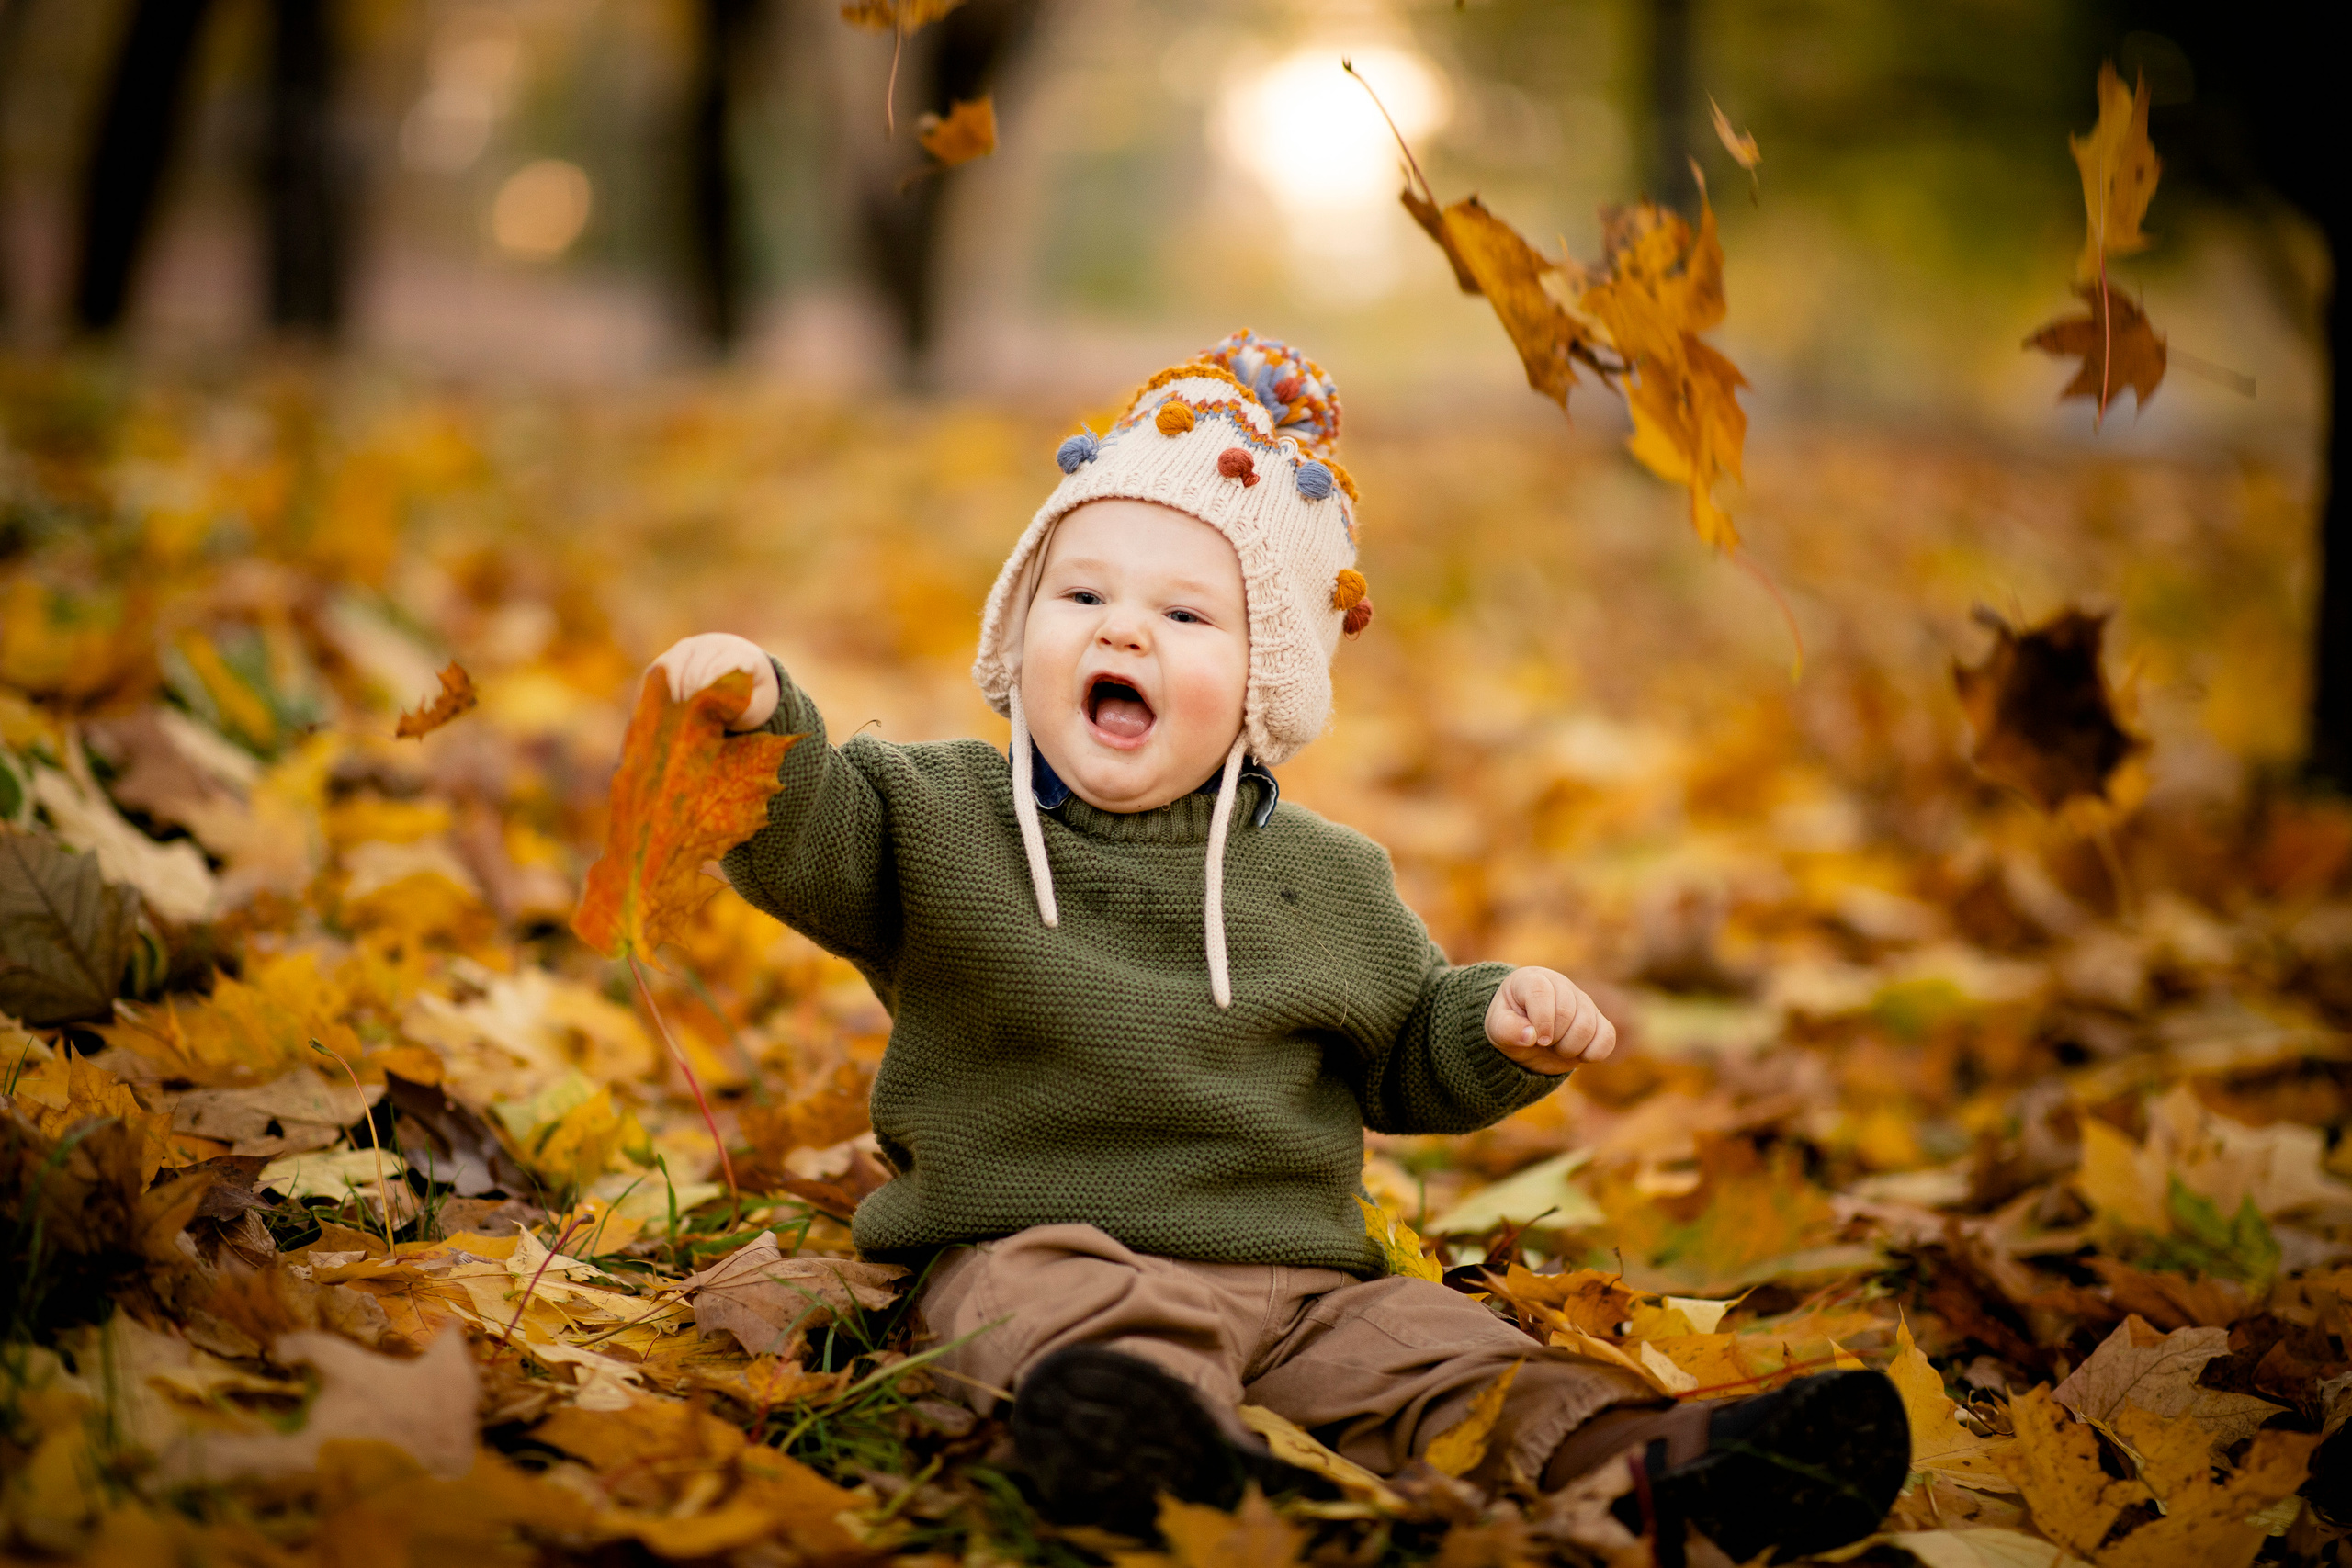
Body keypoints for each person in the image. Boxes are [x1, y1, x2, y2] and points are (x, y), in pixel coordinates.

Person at [650, 332, 1909, 1560]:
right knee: (1061, 1327)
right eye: (1079, 594)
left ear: (1270, 682)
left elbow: (1405, 1046)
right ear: (1020, 627)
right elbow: (815, 831)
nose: (1122, 632)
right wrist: (759, 719)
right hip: (1036, 1245)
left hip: (1303, 1289)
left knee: (1441, 1358)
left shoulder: (1327, 879)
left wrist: (1492, 1022)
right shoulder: (935, 818)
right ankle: (1174, 1463)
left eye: (1186, 615)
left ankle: (1651, 1464)